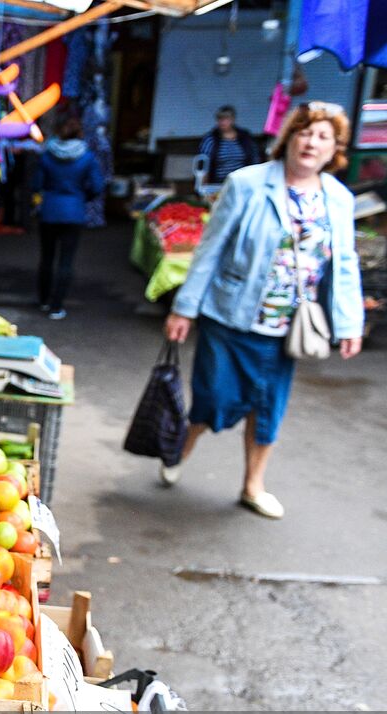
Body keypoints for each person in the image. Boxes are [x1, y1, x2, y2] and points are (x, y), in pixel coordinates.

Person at [163, 101, 364, 519]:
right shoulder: (246, 184)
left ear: (335, 151)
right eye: (304, 132)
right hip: (231, 316)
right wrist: (184, 309)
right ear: (288, 138)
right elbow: (210, 249)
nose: (311, 142)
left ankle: (253, 485)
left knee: (268, 406)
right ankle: (180, 448)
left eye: (323, 137)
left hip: (288, 328)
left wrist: (349, 323)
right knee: (214, 397)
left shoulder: (339, 200)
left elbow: (344, 262)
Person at [33, 117, 105, 320]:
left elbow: (36, 183)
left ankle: (44, 300)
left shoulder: (47, 155)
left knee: (47, 258)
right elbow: (97, 187)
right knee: (66, 261)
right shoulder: (87, 157)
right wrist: (80, 198)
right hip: (74, 213)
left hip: (49, 211)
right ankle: (57, 306)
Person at [199, 106, 262, 184]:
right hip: (219, 183)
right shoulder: (211, 140)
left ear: (233, 119)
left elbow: (254, 159)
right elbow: (204, 163)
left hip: (242, 182)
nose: (222, 122)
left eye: (226, 119)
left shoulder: (245, 138)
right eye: (219, 119)